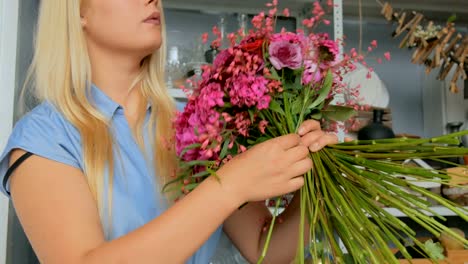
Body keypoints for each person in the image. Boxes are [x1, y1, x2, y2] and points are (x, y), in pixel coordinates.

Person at [0, 0, 338, 263]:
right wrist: (231, 185)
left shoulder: (198, 129)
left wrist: (321, 178)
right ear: (78, 12)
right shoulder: (44, 138)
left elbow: (268, 248)